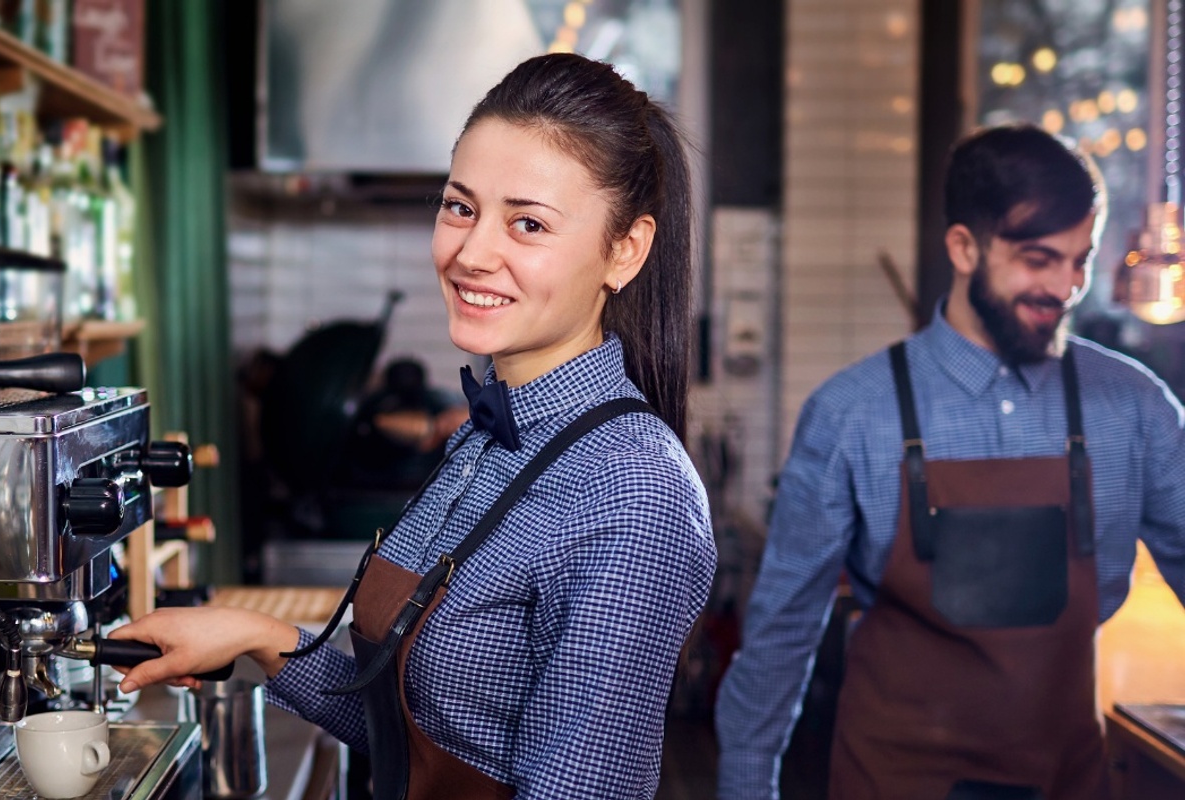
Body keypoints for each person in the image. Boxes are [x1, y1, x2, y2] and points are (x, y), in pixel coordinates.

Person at [108, 53, 716, 799]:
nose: (471, 252)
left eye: (527, 223)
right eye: (460, 207)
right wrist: (257, 636)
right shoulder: (482, 438)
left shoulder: (634, 491)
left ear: (624, 250)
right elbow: (408, 722)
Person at [714, 124, 1185, 800]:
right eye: (1037, 259)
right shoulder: (852, 413)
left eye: (1079, 261)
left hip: (1065, 782)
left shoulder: (1136, 409)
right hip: (893, 782)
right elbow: (779, 639)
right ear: (964, 247)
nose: (1066, 286)